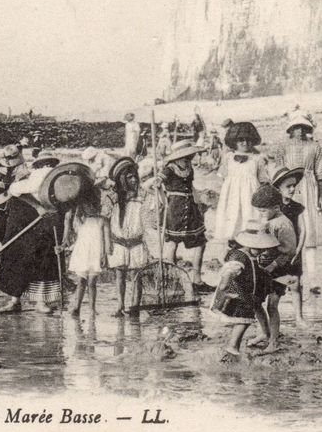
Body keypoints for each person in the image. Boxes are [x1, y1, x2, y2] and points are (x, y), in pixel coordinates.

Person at [211, 219, 276, 358]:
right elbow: (229, 272)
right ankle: (233, 346)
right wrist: (224, 287)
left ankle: (264, 333)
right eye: (259, 248)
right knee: (243, 319)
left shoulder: (251, 255)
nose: (262, 251)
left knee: (253, 310)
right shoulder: (239, 256)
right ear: (248, 243)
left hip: (248, 292)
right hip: (237, 293)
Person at [0, 190, 65, 315]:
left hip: (45, 215)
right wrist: (37, 206)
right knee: (17, 256)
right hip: (22, 215)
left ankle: (41, 301)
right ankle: (15, 301)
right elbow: (15, 190)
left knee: (43, 257)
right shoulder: (20, 181)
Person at [250, 184, 298, 351]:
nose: (260, 214)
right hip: (263, 267)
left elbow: (290, 251)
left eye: (263, 211)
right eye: (258, 211)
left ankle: (274, 341)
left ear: (276, 208)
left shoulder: (283, 224)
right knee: (255, 301)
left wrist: (273, 265)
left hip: (280, 269)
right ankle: (265, 332)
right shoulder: (267, 220)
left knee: (272, 305)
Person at [159, 140, 212, 292]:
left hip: (191, 208)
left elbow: (191, 187)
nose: (189, 159)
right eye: (186, 157)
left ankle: (197, 279)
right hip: (175, 209)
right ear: (177, 157)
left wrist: (199, 201)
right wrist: (162, 198)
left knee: (201, 242)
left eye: (190, 156)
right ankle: (172, 279)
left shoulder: (189, 167)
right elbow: (152, 184)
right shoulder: (169, 169)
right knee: (173, 243)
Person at [278, 115, 322, 274]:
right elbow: (278, 171)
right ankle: (289, 272)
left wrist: (321, 197)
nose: (299, 131)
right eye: (296, 127)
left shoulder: (314, 146)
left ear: (307, 129)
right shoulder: (283, 146)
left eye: (302, 127)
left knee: (310, 228)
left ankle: (312, 275)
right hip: (289, 186)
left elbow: (320, 173)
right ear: (291, 130)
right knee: (290, 225)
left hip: (309, 188)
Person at [105, 157, 151, 316]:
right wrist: (107, 243)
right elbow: (105, 221)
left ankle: (135, 306)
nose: (133, 180)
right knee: (120, 275)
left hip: (137, 242)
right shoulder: (112, 197)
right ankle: (120, 306)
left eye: (135, 177)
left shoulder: (143, 194)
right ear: (122, 179)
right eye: (129, 177)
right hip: (118, 242)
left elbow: (153, 211)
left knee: (136, 276)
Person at [215, 122, 269, 244]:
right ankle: (233, 244)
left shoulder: (257, 159)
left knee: (249, 218)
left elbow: (263, 179)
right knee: (232, 218)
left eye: (248, 140)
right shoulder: (228, 157)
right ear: (234, 141)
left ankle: (248, 244)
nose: (245, 143)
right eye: (241, 140)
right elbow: (222, 177)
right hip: (232, 196)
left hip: (251, 195)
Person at [272, 166, 309, 326]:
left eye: (294, 186)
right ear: (278, 188)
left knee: (295, 284)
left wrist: (298, 251)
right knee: (274, 288)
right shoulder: (273, 208)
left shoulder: (297, 207)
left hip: (294, 252)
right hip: (277, 252)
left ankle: (299, 317)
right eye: (288, 186)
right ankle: (273, 321)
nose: (292, 189)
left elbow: (303, 230)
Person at [67, 185, 110, 317]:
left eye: (94, 205)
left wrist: (105, 255)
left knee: (92, 283)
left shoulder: (103, 220)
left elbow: (107, 239)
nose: (91, 207)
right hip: (82, 254)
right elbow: (70, 219)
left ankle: (92, 308)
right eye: (88, 205)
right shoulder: (80, 220)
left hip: (96, 254)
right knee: (81, 281)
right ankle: (77, 307)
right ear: (83, 206)